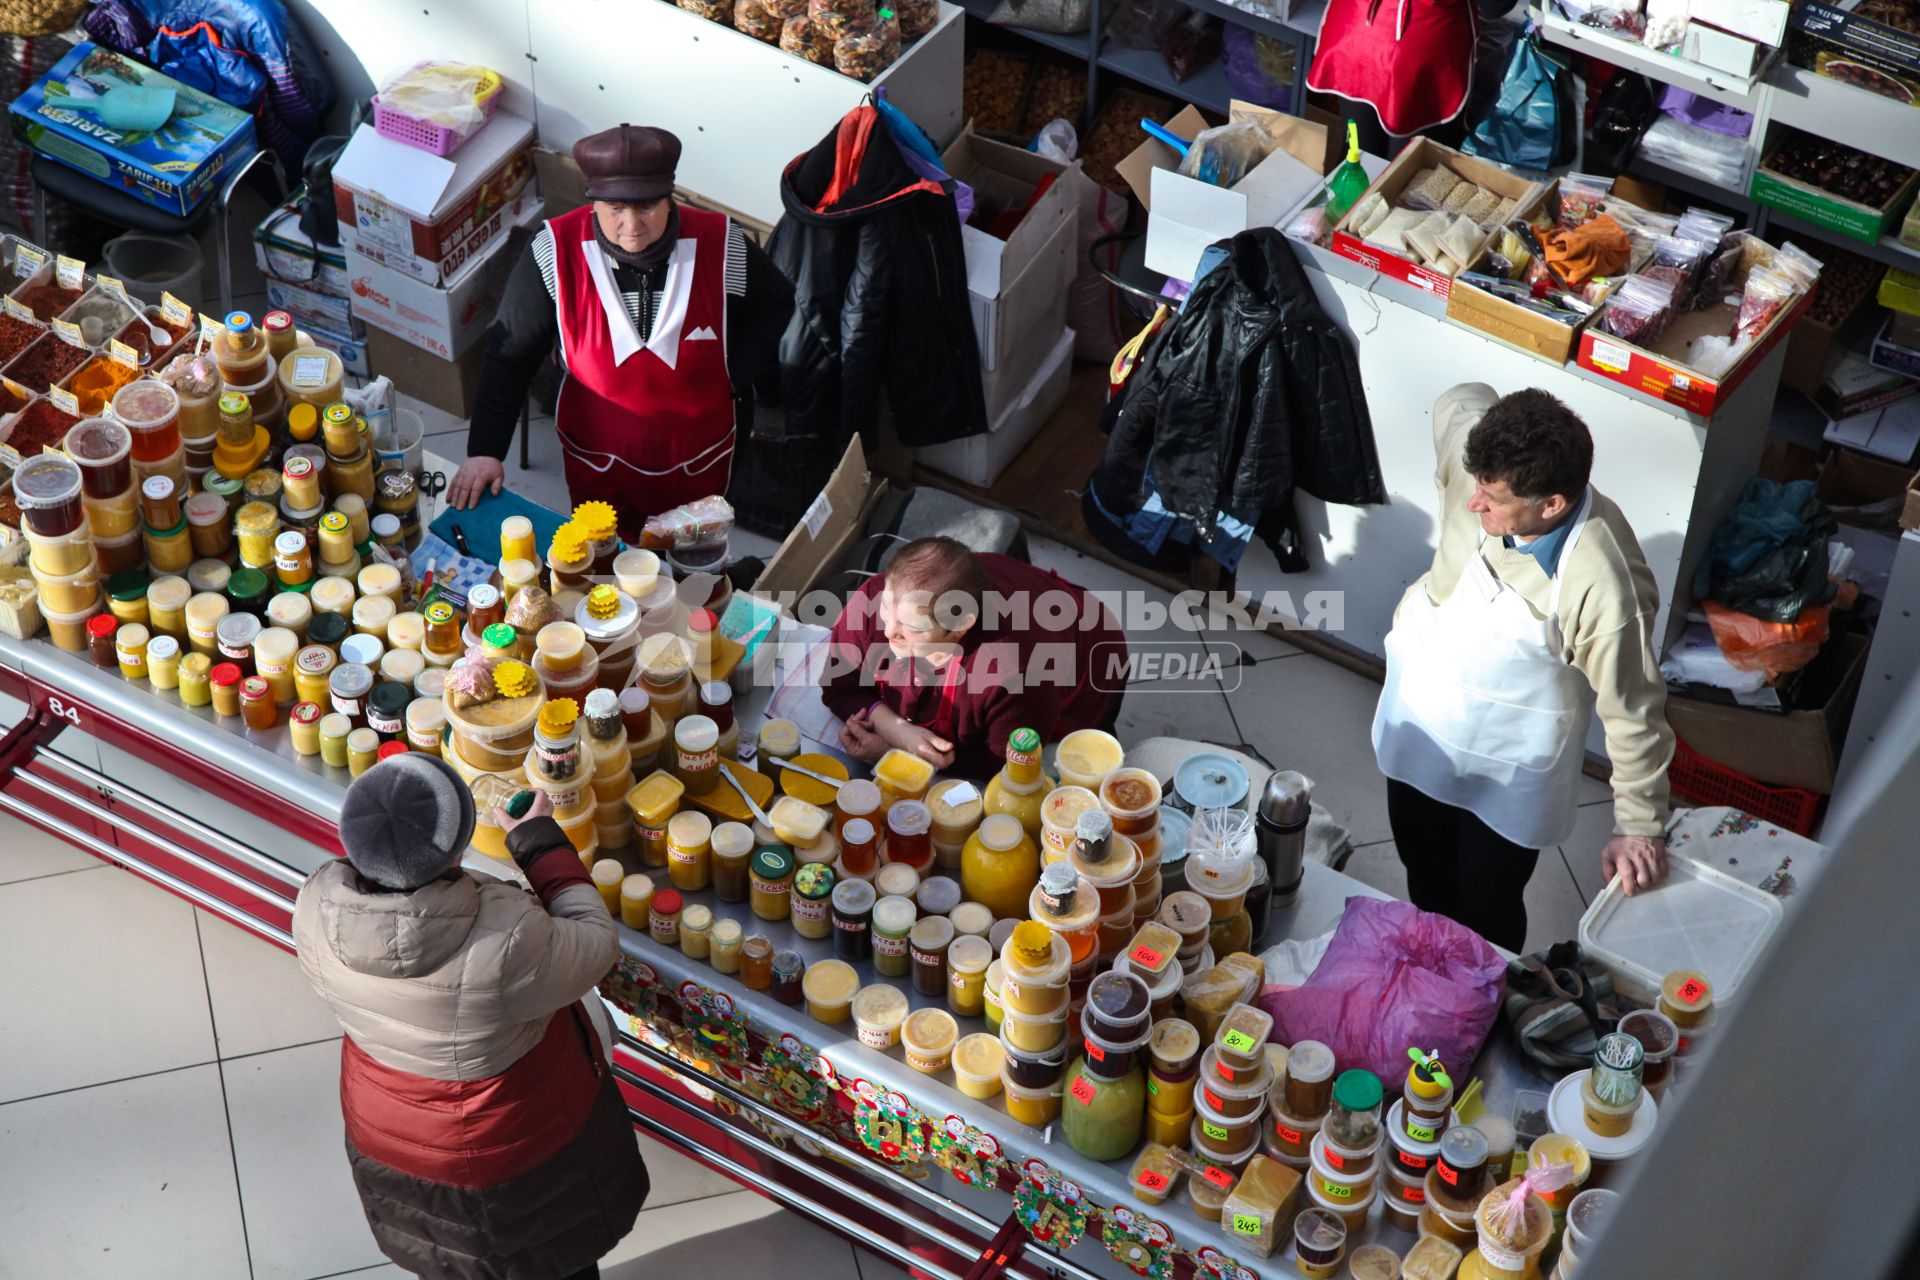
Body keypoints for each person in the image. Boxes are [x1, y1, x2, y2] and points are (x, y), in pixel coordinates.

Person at [294, 754, 648, 1280]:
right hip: (506, 1147)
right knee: (550, 1261)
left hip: (392, 1134)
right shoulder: (505, 942)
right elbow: (594, 943)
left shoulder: (314, 903)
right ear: (458, 844)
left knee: (448, 1258)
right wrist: (539, 842)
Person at [1371, 383, 1674, 952]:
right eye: (1476, 485)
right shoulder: (1481, 460)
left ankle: (1477, 1003)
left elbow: (1633, 710)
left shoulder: (1604, 582)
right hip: (1422, 720)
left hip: (1511, 767)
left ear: (1550, 505)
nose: (1473, 504)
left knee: (1485, 915)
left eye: (1492, 498)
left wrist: (1639, 825)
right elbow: (1460, 398)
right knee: (1425, 874)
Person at [449, 123, 794, 538]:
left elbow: (778, 304)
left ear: (670, 198)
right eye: (615, 208)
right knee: (604, 568)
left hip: (700, 460)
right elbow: (509, 354)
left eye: (647, 206)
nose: (632, 225)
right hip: (598, 463)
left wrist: (732, 375)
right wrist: (486, 451)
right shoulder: (552, 254)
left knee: (694, 572)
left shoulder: (723, 246)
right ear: (592, 202)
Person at [820, 537, 1127, 779]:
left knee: (1086, 758)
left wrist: (892, 753)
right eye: (887, 607)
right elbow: (838, 685)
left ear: (960, 626)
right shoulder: (874, 599)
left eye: (912, 627)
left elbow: (1004, 765)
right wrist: (895, 728)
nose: (888, 633)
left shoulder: (1013, 676)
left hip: (1088, 660)